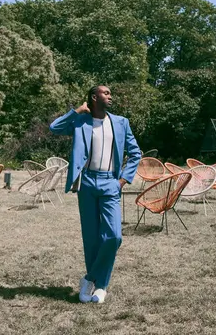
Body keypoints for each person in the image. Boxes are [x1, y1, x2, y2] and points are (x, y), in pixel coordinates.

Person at [49, 85, 141, 304]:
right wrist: (78, 110)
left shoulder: (121, 122)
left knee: (113, 236)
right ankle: (98, 287)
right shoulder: (81, 122)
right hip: (87, 182)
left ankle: (92, 278)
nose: (110, 96)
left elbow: (135, 152)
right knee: (91, 238)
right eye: (106, 93)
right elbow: (54, 127)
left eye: (110, 93)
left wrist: (121, 181)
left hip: (111, 182)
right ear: (93, 97)